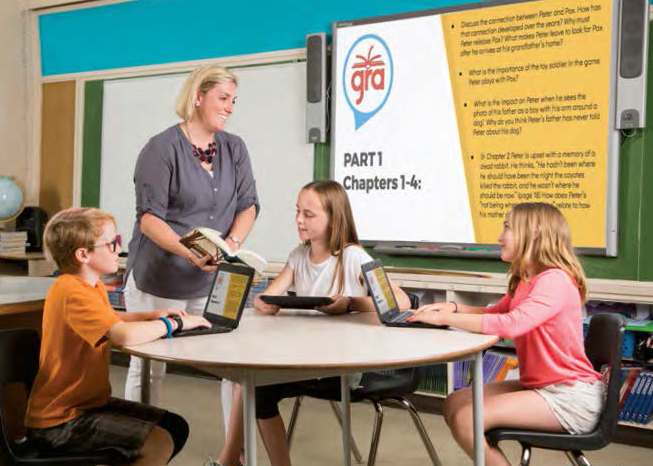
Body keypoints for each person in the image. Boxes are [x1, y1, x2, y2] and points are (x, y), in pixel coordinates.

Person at [208, 180, 410, 466]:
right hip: (305, 360)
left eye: (309, 214)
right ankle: (238, 460)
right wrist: (262, 302)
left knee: (251, 381)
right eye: (297, 212)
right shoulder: (299, 256)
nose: (299, 220)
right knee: (253, 385)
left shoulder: (352, 257)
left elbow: (400, 302)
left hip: (343, 366)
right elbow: (267, 295)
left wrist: (350, 303)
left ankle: (227, 461)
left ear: (333, 218)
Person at [407, 202, 604, 466]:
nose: (500, 236)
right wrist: (453, 307)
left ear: (534, 232)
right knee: (455, 403)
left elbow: (511, 324)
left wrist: (445, 318)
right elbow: (494, 313)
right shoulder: (526, 280)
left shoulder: (554, 280)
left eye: (507, 227)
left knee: (468, 418)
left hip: (569, 397)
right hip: (542, 386)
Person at [123, 65, 259, 439]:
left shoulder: (235, 148)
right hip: (160, 277)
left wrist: (229, 247)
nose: (230, 107)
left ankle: (236, 453)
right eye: (222, 98)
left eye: (234, 100)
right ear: (198, 96)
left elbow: (248, 205)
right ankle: (139, 447)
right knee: (150, 370)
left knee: (235, 364)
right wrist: (188, 253)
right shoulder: (161, 148)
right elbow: (150, 219)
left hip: (213, 278)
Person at [25, 207, 211, 465]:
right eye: (112, 244)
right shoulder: (71, 292)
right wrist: (174, 324)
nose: (117, 249)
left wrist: (154, 315)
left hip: (88, 404)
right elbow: (121, 335)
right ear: (83, 254)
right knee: (159, 441)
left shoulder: (91, 285)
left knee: (174, 427)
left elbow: (109, 320)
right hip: (60, 420)